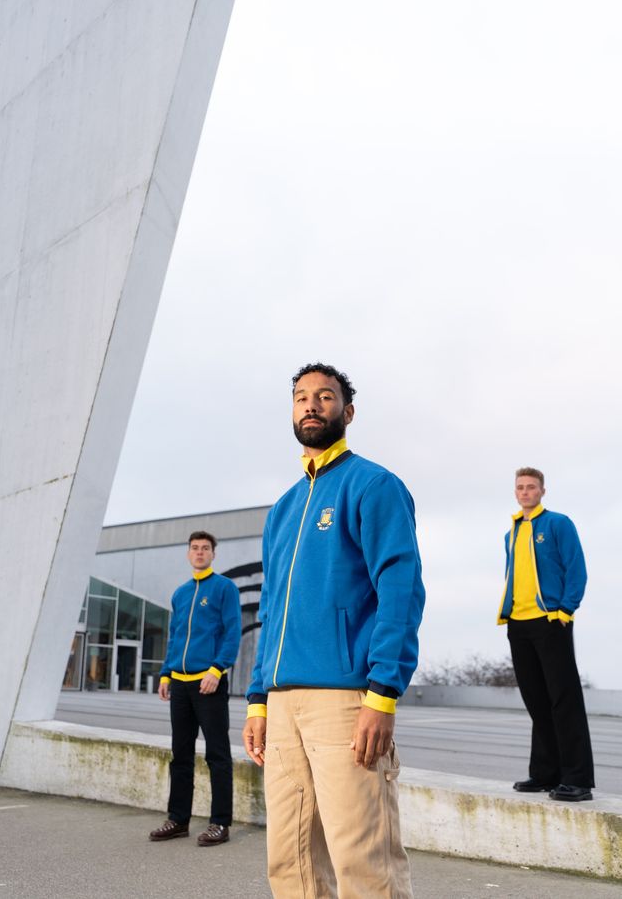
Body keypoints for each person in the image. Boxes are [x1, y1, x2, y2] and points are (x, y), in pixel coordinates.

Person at [242, 363, 426, 898]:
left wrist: (383, 695)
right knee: (290, 858)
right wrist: (258, 701)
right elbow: (272, 610)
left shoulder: (374, 485)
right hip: (282, 705)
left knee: (363, 858)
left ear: (347, 411)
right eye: (301, 397)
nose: (311, 405)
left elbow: (402, 592)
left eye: (325, 396)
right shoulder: (282, 509)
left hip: (346, 699)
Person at [497, 467, 594, 801]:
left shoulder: (557, 524)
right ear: (516, 492)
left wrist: (566, 609)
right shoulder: (511, 532)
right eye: (520, 487)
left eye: (531, 487)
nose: (525, 492)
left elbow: (576, 567)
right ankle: (544, 773)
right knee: (537, 702)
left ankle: (578, 780)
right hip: (518, 624)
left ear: (542, 491)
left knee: (564, 700)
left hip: (551, 620)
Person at [149, 531, 241, 845]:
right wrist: (165, 674)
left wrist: (217, 669)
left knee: (217, 755)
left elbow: (232, 634)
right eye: (195, 548)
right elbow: (175, 637)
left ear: (213, 554)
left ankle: (220, 823)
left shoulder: (225, 588)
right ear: (188, 554)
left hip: (209, 683)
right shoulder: (180, 593)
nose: (199, 552)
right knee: (181, 756)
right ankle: (178, 819)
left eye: (205, 548)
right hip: (180, 684)